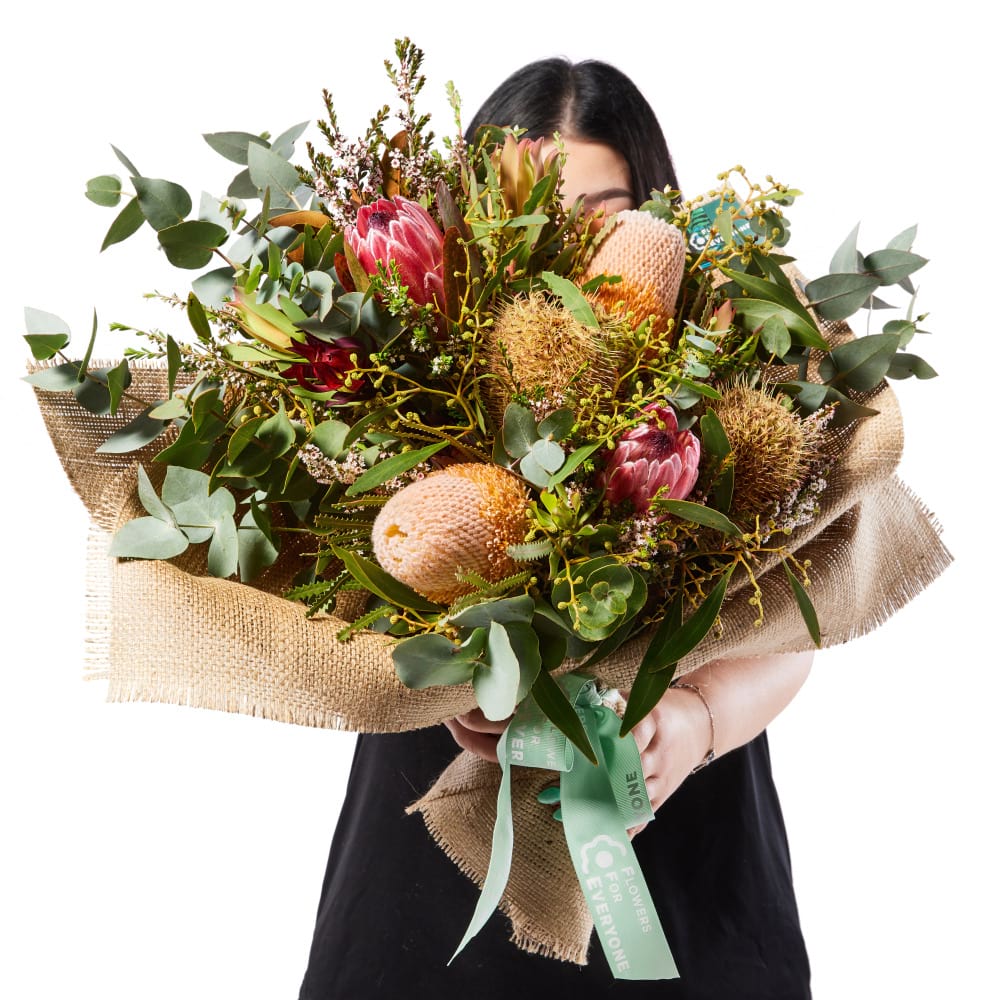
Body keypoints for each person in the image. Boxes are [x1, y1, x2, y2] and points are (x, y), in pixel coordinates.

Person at [298, 58, 815, 1000]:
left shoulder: (735, 370)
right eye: (531, 211)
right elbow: (317, 605)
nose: (569, 251)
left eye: (604, 213)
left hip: (682, 843)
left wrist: (692, 724)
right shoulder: (392, 372)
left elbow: (800, 623)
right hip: (435, 852)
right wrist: (444, 683)